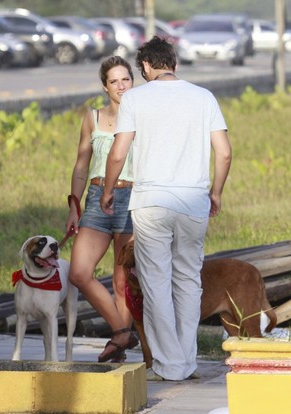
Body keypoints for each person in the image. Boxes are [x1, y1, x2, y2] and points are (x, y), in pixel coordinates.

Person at [99, 36, 232, 381]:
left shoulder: (136, 99)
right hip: (193, 201)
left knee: (156, 282)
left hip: (151, 203)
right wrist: (215, 193)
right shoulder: (204, 97)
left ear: (145, 66)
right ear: (174, 62)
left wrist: (108, 190)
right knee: (189, 281)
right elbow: (225, 152)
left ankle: (169, 365)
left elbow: (118, 152)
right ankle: (185, 362)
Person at [66, 56, 138, 363]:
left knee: (123, 280)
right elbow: (81, 164)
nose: (121, 86)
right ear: (104, 86)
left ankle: (119, 344)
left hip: (132, 197)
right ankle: (122, 331)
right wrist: (74, 204)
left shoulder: (142, 116)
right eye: (114, 81)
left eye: (126, 79)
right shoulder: (92, 118)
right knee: (79, 272)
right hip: (96, 197)